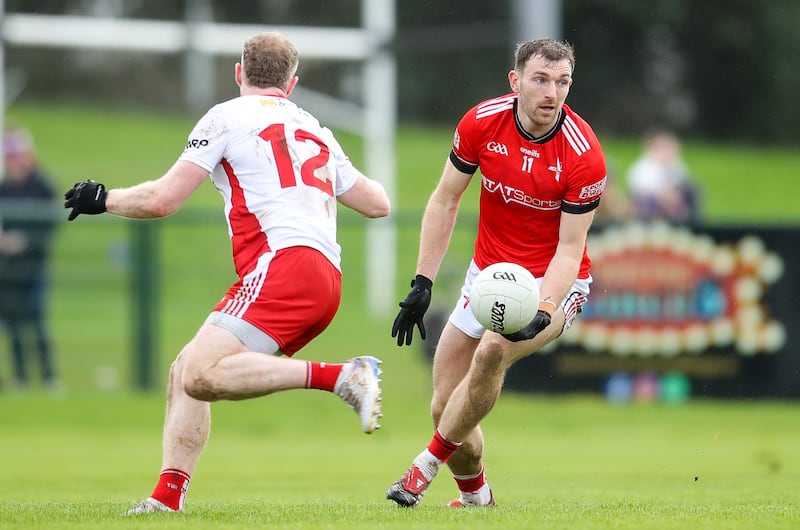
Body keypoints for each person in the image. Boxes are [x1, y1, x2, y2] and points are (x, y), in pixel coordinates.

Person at [63, 32, 391, 514]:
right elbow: (378, 203)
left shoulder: (225, 116)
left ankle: (343, 376)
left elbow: (162, 200)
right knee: (185, 371)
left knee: (199, 375)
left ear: (239, 73)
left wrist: (104, 198)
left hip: (283, 265)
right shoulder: (313, 127)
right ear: (292, 84)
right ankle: (166, 499)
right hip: (324, 276)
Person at [387, 38, 607, 508]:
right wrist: (423, 282)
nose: (553, 93)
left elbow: (570, 251)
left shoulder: (584, 155)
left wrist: (544, 309)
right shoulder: (481, 122)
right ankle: (477, 501)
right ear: (516, 81)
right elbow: (445, 199)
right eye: (541, 80)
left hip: (553, 284)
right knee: (445, 405)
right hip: (487, 277)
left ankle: (421, 469)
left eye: (563, 82)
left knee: (491, 353)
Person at [0, 125, 59, 391]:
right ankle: (21, 378)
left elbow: (48, 227)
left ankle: (48, 377)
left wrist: (22, 242)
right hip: (8, 269)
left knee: (37, 322)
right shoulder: (4, 189)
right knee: (13, 325)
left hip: (34, 267)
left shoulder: (43, 188)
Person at [626, 129, 701, 224]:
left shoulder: (677, 165)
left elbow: (682, 183)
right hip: (650, 204)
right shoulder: (643, 166)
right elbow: (640, 190)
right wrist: (664, 195)